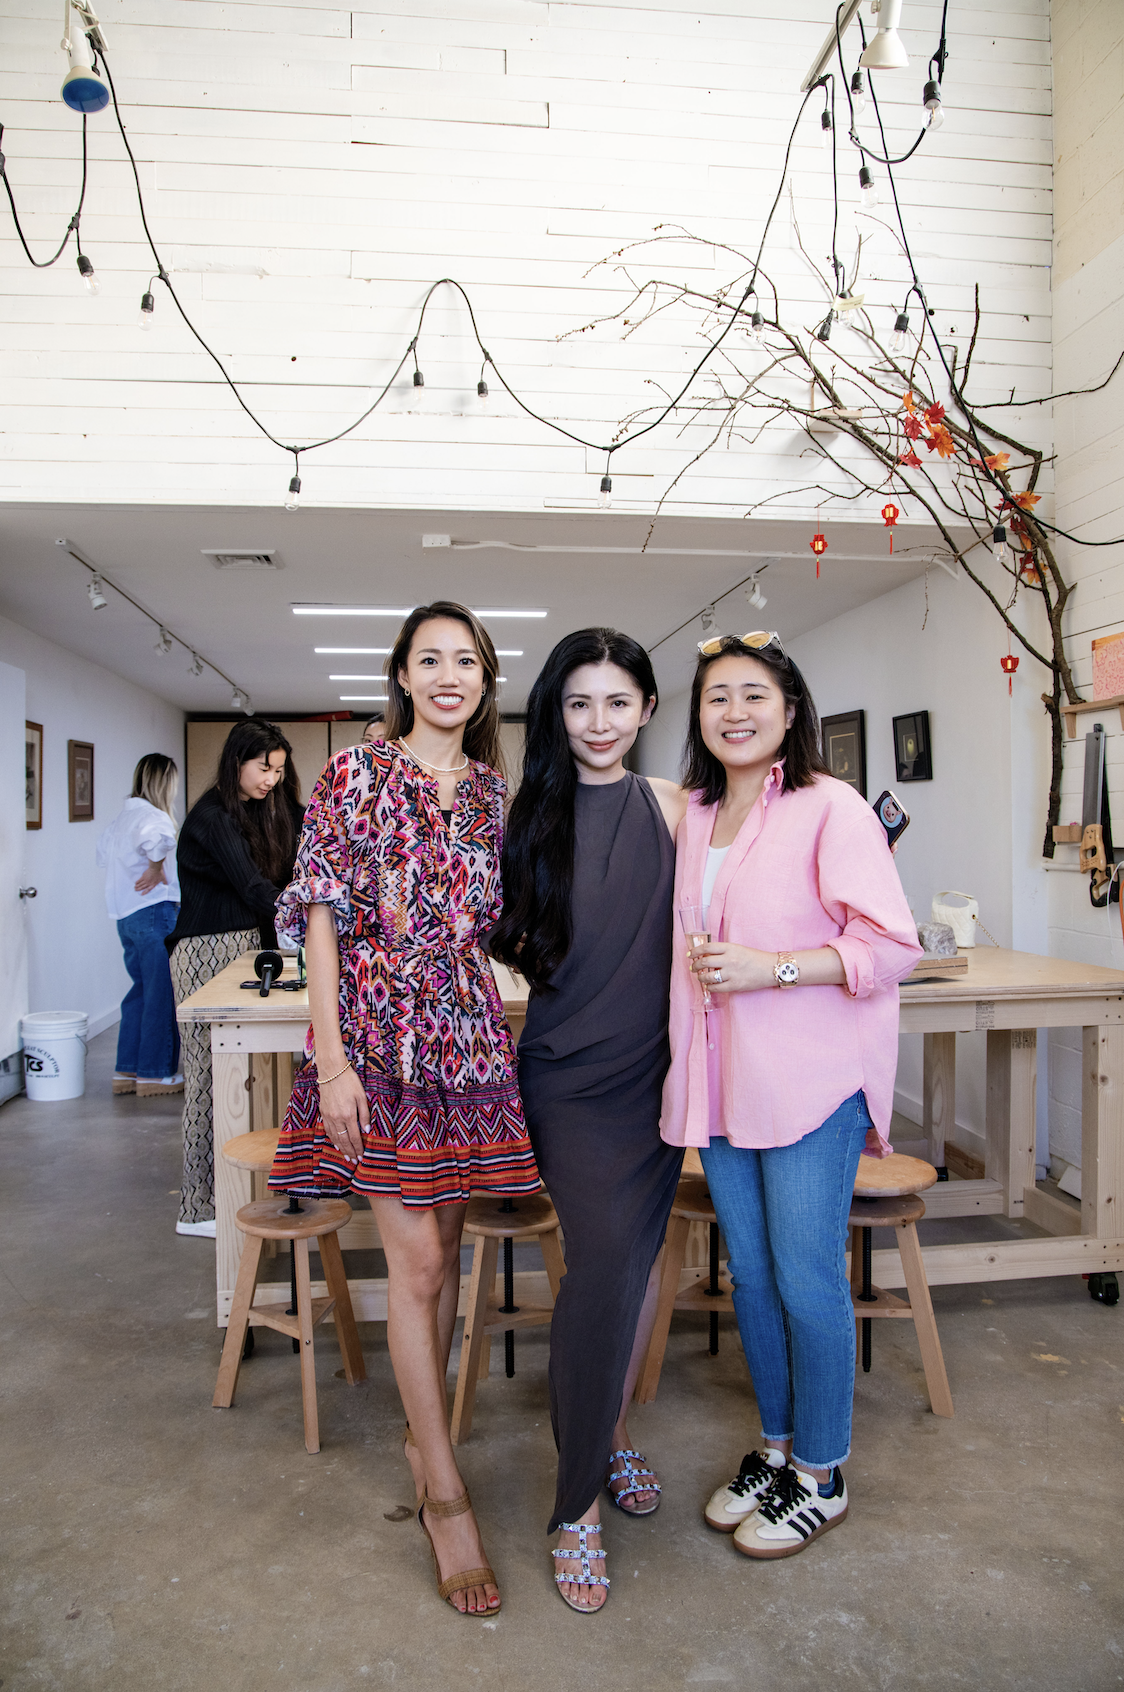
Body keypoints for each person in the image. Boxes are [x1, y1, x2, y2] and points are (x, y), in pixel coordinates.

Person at [267, 601, 538, 1618]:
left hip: (467, 1038)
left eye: (465, 659)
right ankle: (444, 1497)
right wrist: (332, 1061)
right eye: (429, 659)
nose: (447, 675)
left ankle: (427, 1440)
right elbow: (320, 918)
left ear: (486, 679)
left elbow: (514, 923)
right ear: (402, 674)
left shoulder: (495, 794)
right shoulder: (354, 773)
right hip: (376, 1039)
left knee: (447, 1257)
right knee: (417, 1264)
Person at [660, 632, 921, 1560]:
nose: (734, 712)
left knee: (808, 1279)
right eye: (717, 696)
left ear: (790, 709)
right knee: (755, 1276)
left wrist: (770, 967)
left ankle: (822, 1472)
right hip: (724, 1082)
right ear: (697, 714)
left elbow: (892, 946)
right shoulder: (696, 813)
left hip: (811, 1083)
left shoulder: (830, 806)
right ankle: (775, 1450)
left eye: (754, 695)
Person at [491, 629, 688, 1614]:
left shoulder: (678, 807)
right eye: (578, 704)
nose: (598, 723)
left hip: (661, 1080)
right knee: (605, 1266)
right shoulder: (526, 813)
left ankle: (605, 1432)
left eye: (617, 703)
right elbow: (500, 938)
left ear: (647, 708)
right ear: (554, 713)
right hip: (569, 1080)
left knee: (633, 1269)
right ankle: (575, 1507)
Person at [167, 721, 303, 1237]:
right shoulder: (212, 816)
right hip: (206, 952)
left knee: (253, 1078)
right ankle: (198, 1208)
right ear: (236, 762)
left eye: (279, 770)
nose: (272, 779)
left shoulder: (259, 808)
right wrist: (314, 914)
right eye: (264, 768)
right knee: (207, 1078)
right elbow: (251, 887)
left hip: (247, 950)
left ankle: (245, 1191)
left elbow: (299, 843)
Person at [96, 753, 183, 1098]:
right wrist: (155, 867)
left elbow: (102, 854)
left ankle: (127, 1070)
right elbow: (161, 841)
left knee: (140, 993)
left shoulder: (122, 818)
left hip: (126, 916)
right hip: (153, 912)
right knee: (161, 993)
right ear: (165, 782)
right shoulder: (153, 816)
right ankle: (155, 1074)